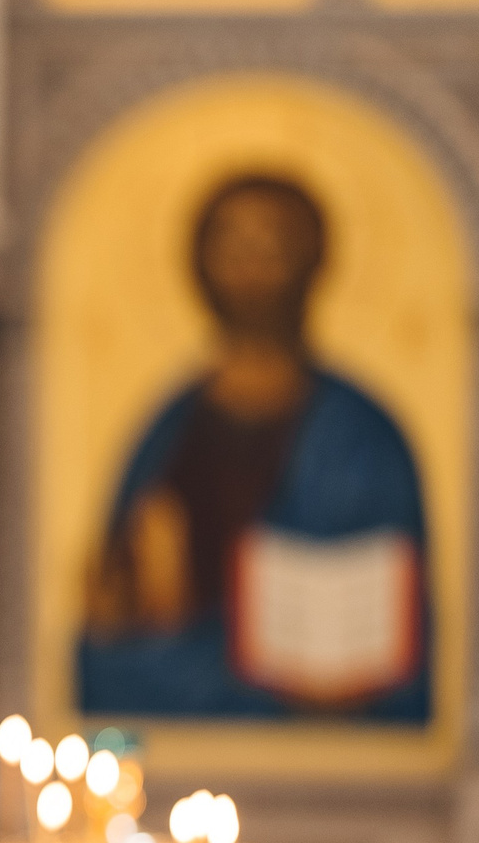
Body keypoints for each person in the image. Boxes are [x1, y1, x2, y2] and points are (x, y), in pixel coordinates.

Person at [80, 173, 429, 722]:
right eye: (233, 245)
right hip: (185, 675)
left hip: (339, 700)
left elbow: (414, 617)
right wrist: (136, 598)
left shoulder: (363, 432)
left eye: (275, 245)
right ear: (198, 264)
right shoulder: (169, 425)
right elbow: (110, 609)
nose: (252, 267)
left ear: (315, 263)